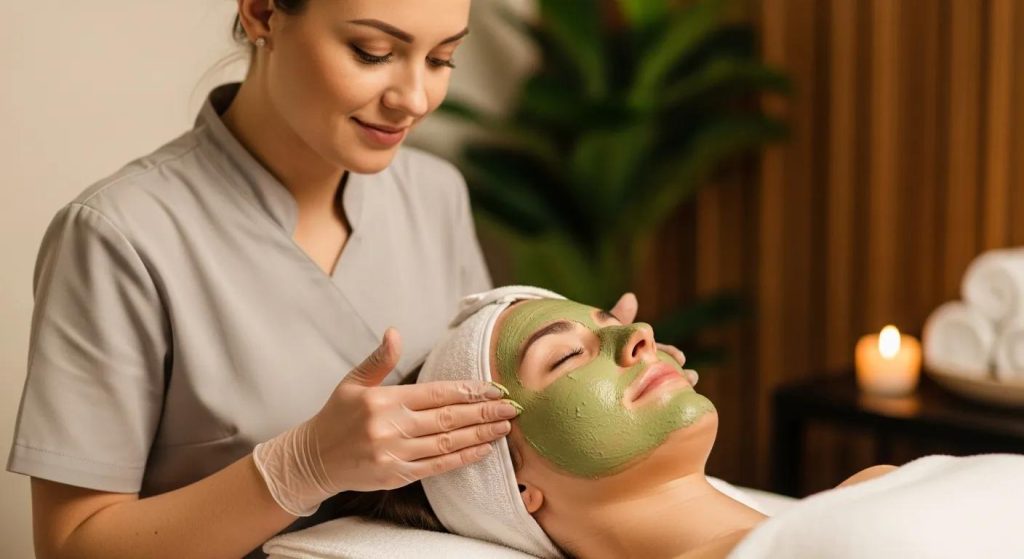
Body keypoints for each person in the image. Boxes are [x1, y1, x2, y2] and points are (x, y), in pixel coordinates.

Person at [6, 3, 680, 558]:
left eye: (443, 58)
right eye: (372, 52)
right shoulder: (118, 235)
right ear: (264, 12)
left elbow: (478, 435)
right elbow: (71, 545)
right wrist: (298, 467)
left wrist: (598, 365)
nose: (415, 98)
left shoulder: (433, 194)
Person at [320, 286, 909, 559]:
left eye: (608, 324)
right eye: (567, 356)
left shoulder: (879, 489)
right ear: (514, 486)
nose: (639, 336)